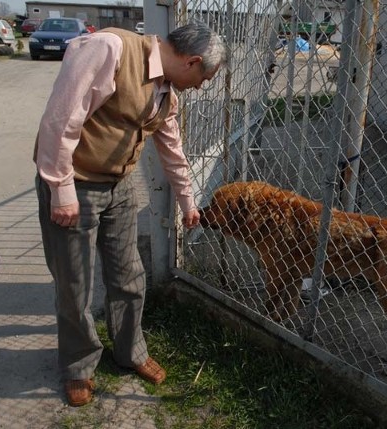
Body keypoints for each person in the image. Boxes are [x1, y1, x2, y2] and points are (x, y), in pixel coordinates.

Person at [34, 22, 228, 407]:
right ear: (191, 62)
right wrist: (60, 189)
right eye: (203, 79)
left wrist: (188, 203)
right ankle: (78, 366)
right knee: (74, 283)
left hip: (118, 187)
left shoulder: (165, 92)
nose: (200, 87)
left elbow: (172, 149)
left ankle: (130, 352)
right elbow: (62, 118)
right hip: (76, 184)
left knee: (129, 276)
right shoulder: (111, 49)